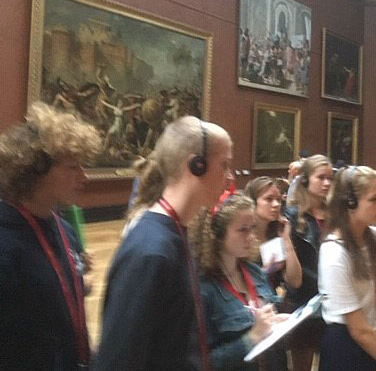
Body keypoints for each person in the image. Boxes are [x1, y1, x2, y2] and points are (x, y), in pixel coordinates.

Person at [94, 116, 233, 371]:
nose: (230, 177)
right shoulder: (151, 251)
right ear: (196, 165)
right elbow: (118, 359)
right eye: (224, 165)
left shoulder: (176, 233)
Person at [0, 102, 101, 371]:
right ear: (36, 169)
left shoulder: (64, 228)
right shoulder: (5, 242)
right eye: (72, 167)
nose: (84, 176)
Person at [318, 166, 376, 371]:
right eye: (374, 199)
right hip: (348, 349)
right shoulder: (334, 252)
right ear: (350, 203)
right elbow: (359, 330)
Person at [188, 195, 287, 370]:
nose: (251, 236)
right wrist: (253, 336)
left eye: (252, 228)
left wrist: (278, 320)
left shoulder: (255, 272)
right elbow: (203, 362)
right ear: (217, 235)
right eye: (242, 230)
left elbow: (269, 312)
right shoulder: (203, 288)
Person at [284, 154, 333, 371]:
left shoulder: (336, 215)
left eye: (330, 178)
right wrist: (323, 284)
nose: (327, 183)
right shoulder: (292, 216)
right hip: (304, 303)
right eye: (321, 177)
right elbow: (292, 267)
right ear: (305, 180)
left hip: (333, 303)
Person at [244, 176, 302, 291]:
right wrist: (266, 271)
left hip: (273, 299)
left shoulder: (276, 235)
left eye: (279, 200)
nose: (276, 204)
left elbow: (295, 281)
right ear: (253, 202)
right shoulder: (243, 238)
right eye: (269, 199)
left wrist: (286, 239)